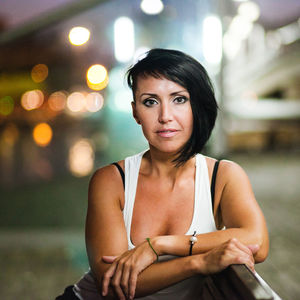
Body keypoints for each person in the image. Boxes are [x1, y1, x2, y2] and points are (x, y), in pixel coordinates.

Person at [56, 48, 269, 300]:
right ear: (136, 112)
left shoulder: (223, 176)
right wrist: (198, 262)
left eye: (179, 99)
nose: (165, 117)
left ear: (196, 105)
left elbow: (257, 242)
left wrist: (158, 245)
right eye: (150, 102)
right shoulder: (111, 181)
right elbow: (112, 281)